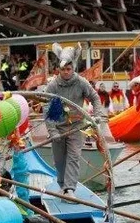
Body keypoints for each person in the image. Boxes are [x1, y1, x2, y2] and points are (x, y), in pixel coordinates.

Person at [45, 43, 105, 198]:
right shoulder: (53, 85)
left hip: (77, 127)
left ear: (73, 68)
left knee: (74, 157)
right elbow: (47, 108)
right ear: (59, 69)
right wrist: (52, 131)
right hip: (58, 128)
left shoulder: (81, 82)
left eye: (69, 69)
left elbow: (95, 98)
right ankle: (62, 185)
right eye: (63, 69)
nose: (66, 72)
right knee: (59, 161)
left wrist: (97, 114)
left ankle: (69, 189)